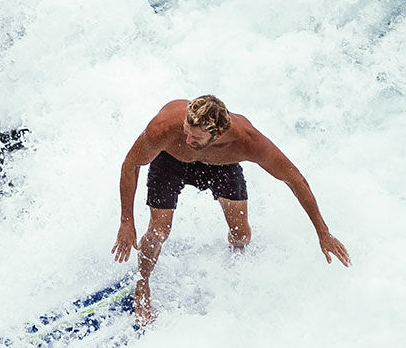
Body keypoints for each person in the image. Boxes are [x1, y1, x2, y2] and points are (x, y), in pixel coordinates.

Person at [112, 94, 351, 321]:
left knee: (242, 235)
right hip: (170, 163)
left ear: (216, 135)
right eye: (186, 131)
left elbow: (294, 179)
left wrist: (323, 232)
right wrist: (126, 222)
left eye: (195, 138)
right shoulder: (163, 128)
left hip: (221, 167)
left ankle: (235, 263)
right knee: (158, 232)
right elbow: (131, 164)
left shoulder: (248, 141)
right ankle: (143, 282)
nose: (187, 140)